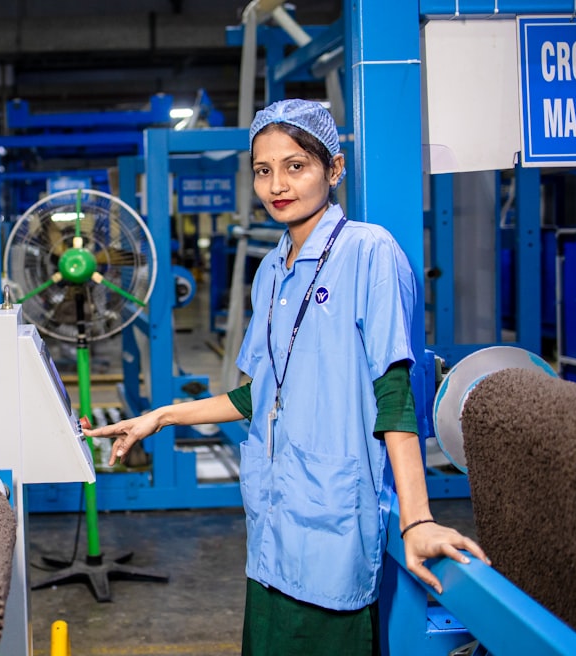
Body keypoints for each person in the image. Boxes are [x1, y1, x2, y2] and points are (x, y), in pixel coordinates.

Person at [82, 98, 489, 655]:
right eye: (263, 170)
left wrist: (418, 520)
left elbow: (393, 393)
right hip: (272, 525)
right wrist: (160, 417)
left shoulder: (369, 253)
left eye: (296, 166)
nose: (278, 184)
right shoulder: (271, 270)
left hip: (334, 525)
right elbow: (259, 395)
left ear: (335, 169)